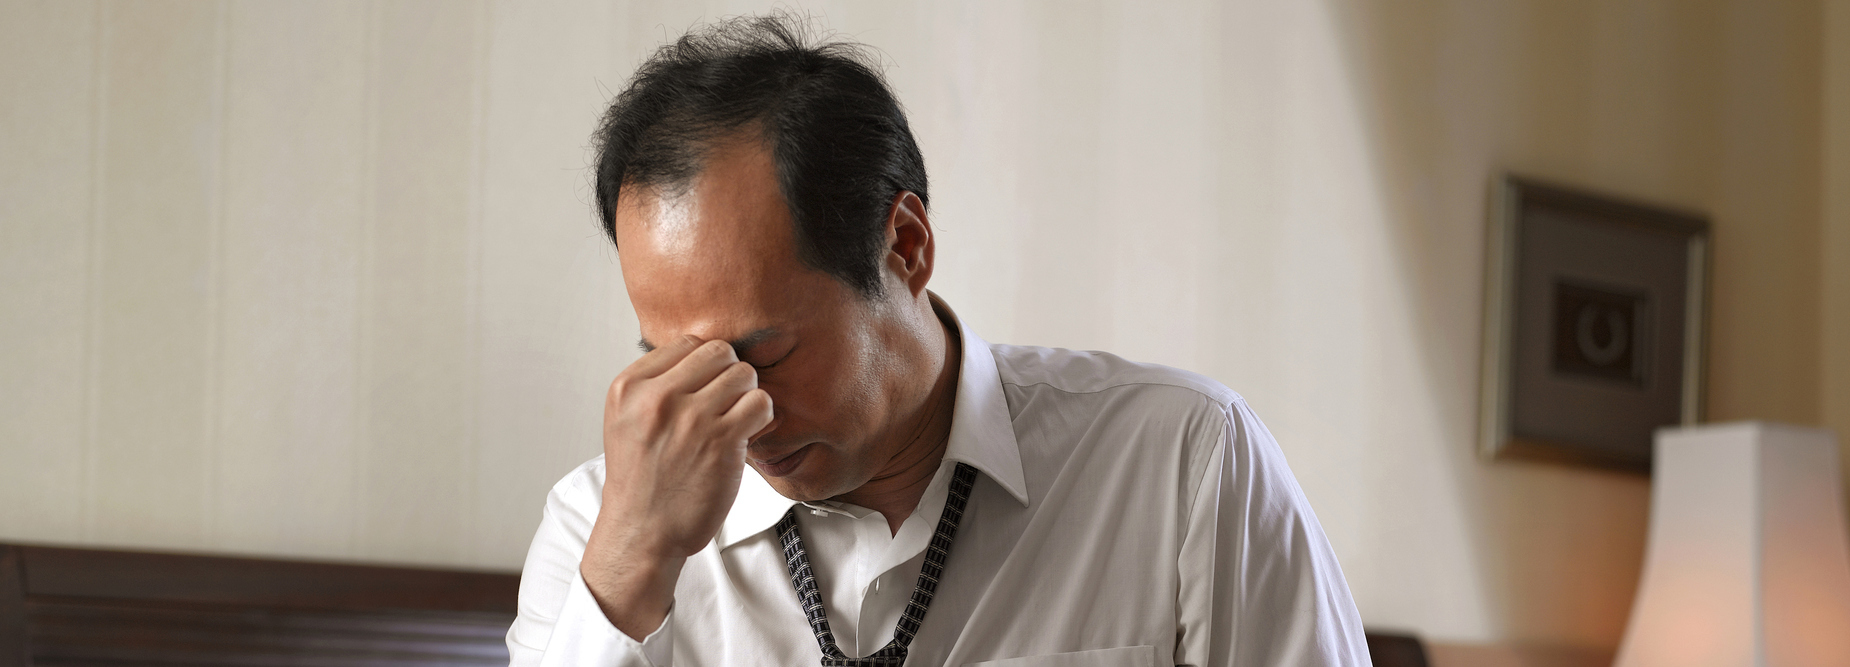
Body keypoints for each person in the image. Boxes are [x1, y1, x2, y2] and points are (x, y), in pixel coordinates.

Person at [506, 14, 1369, 667]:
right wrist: (629, 561)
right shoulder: (592, 525)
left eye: (761, 352)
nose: (737, 413)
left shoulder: (1183, 465)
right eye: (672, 361)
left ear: (905, 247)